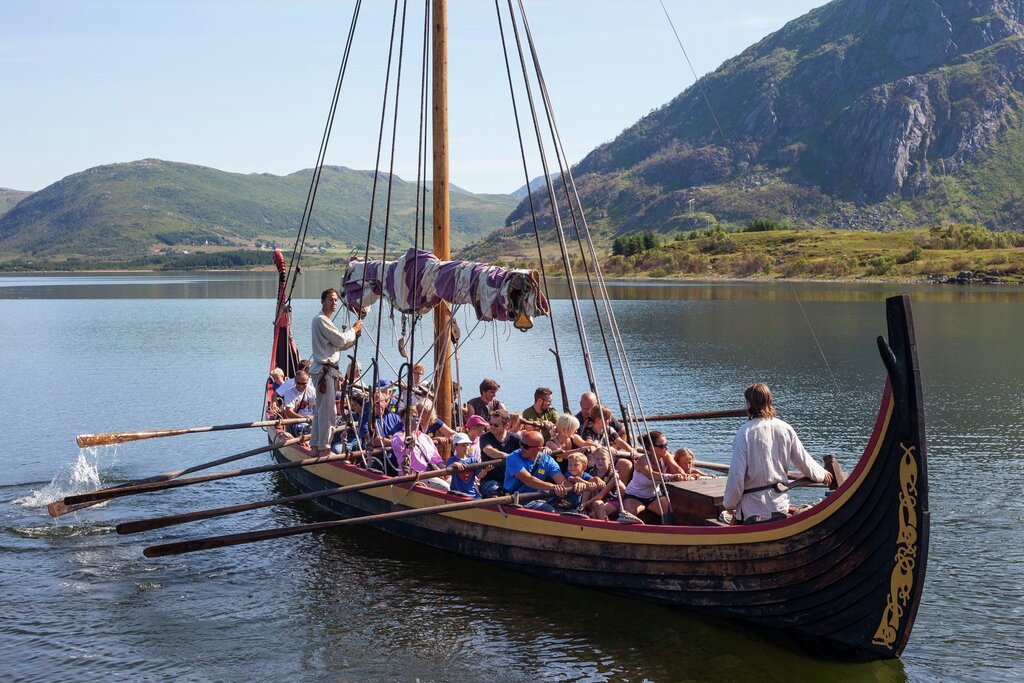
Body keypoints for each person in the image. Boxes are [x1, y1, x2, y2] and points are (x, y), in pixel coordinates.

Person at [724, 383, 833, 524]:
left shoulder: (744, 433)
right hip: (779, 507)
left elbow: (736, 475)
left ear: (749, 404)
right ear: (769, 402)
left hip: (752, 511)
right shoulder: (785, 428)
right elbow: (804, 461)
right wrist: (822, 474)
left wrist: (729, 505)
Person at [311, 288, 363, 457]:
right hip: (325, 372)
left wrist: (354, 337)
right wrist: (353, 330)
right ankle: (325, 448)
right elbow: (341, 339)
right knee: (328, 412)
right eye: (330, 300)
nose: (334, 303)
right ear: (322, 301)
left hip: (326, 372)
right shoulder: (321, 320)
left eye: (335, 300)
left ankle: (315, 446)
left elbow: (338, 345)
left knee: (321, 411)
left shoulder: (325, 322)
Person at [503, 431, 584, 513]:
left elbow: (562, 482)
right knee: (552, 512)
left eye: (526, 446)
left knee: (571, 510)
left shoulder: (548, 461)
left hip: (535, 498)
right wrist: (553, 487)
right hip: (514, 499)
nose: (522, 448)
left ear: (538, 448)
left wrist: (580, 485)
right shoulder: (513, 458)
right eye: (521, 444)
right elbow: (529, 480)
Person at [621, 431, 685, 524]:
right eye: (662, 446)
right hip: (634, 496)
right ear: (651, 448)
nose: (666, 448)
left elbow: (677, 469)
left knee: (674, 515)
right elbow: (650, 475)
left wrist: (682, 475)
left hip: (655, 496)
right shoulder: (643, 460)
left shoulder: (666, 456)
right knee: (627, 518)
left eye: (666, 444)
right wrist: (670, 477)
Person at [478, 409, 521, 498]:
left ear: (507, 425)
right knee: (494, 492)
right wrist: (508, 456)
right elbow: (489, 451)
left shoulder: (515, 439)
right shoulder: (485, 437)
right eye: (490, 424)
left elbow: (528, 449)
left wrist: (543, 449)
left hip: (511, 479)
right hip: (489, 480)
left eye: (496, 425)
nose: (492, 427)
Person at [391, 426, 449, 490]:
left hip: (431, 473)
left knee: (453, 482)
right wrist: (409, 431)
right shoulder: (398, 437)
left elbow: (436, 458)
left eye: (417, 417)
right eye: (413, 417)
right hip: (414, 476)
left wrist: (446, 471)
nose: (416, 419)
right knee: (445, 487)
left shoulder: (425, 437)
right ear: (403, 419)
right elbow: (398, 447)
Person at [582, 447, 624, 521]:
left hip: (612, 500)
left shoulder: (614, 475)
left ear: (609, 460)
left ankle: (607, 528)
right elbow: (587, 490)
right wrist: (583, 505)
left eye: (603, 459)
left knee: (597, 506)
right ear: (594, 460)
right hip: (595, 499)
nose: (600, 461)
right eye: (597, 459)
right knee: (589, 489)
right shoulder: (592, 473)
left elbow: (602, 494)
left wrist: (587, 503)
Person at [446, 432, 485, 498]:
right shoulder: (452, 460)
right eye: (463, 445)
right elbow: (446, 473)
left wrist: (486, 470)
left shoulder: (473, 460)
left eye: (467, 445)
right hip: (457, 493)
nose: (466, 447)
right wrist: (453, 465)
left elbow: (480, 475)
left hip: (472, 494)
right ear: (455, 446)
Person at [278, 369, 315, 436]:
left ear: (308, 381)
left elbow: (317, 408)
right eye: (298, 383)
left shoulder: (312, 391)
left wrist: (314, 418)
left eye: (304, 383)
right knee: (310, 429)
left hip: (312, 420)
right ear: (295, 381)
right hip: (296, 422)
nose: (301, 386)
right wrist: (304, 419)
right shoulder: (289, 392)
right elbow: (289, 412)